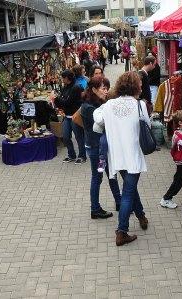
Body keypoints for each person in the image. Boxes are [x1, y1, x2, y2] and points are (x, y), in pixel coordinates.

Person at [93, 72, 149, 246]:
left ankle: (140, 215)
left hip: (117, 156)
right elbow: (146, 125)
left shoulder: (108, 105)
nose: (141, 86)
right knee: (128, 192)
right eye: (139, 83)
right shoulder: (140, 105)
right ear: (135, 86)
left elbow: (97, 119)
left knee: (130, 188)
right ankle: (121, 231)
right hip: (132, 155)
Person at [81, 76, 121, 219]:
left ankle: (119, 201)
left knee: (112, 174)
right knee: (97, 177)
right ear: (93, 89)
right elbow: (103, 123)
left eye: (107, 88)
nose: (106, 91)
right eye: (103, 88)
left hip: (102, 147)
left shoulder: (96, 103)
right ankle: (95, 209)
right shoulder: (89, 107)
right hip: (97, 149)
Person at [51, 70, 87, 164]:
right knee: (66, 136)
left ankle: (82, 156)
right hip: (67, 116)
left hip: (75, 116)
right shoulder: (65, 87)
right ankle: (71, 155)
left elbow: (67, 102)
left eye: (63, 78)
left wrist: (56, 98)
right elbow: (62, 103)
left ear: (67, 78)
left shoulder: (76, 87)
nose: (62, 80)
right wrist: (57, 100)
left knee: (79, 137)